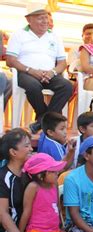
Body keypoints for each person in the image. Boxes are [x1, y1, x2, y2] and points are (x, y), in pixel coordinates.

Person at [6, 3, 73, 134]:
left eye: (46, 17)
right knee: (33, 86)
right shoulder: (19, 35)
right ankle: (46, 121)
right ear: (29, 19)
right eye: (40, 18)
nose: (45, 21)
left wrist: (52, 72)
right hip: (26, 73)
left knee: (67, 86)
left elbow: (62, 63)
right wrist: (30, 70)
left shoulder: (55, 36)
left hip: (49, 74)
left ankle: (40, 122)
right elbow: (10, 60)